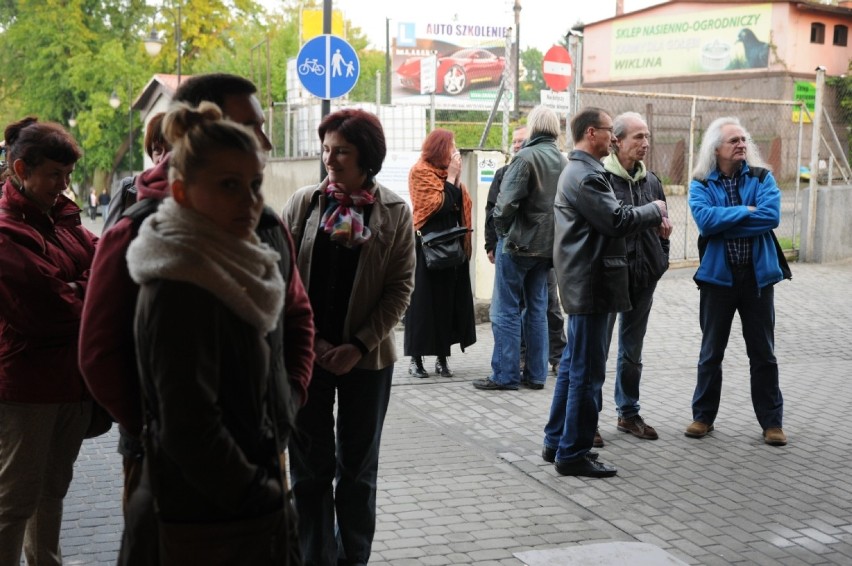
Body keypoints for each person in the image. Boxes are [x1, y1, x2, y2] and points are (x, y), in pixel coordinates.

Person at [78, 73, 315, 563]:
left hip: (259, 453)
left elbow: (297, 317)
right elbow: (100, 354)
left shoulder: (263, 227)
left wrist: (286, 404)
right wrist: (156, 432)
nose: (266, 142)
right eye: (250, 127)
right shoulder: (144, 236)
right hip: (181, 484)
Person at [124, 101, 293, 562]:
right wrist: (260, 492)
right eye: (229, 186)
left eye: (255, 185)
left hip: (218, 511)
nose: (250, 200)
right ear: (180, 192)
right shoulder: (184, 282)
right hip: (205, 523)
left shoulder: (230, 264)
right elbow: (190, 428)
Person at [282, 108, 415, 565]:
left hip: (368, 359)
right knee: (308, 469)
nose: (330, 159)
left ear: (367, 158)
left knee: (357, 471)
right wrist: (314, 343)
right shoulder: (303, 204)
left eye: (342, 151)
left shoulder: (395, 212)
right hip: (306, 357)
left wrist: (358, 345)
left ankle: (352, 558)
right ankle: (314, 556)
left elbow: (400, 288)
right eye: (326, 150)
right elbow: (283, 279)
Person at [543, 107, 666, 478]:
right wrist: (654, 209)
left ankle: (556, 442)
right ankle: (574, 453)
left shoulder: (582, 171)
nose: (614, 139)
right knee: (586, 373)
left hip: (587, 284)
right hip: (592, 286)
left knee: (571, 370)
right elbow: (616, 220)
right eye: (612, 132)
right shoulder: (587, 176)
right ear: (592, 133)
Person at [0, 118, 97, 565]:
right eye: (55, 175)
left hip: (70, 383)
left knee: (52, 491)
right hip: (27, 389)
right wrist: (84, 288)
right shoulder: (7, 230)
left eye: (68, 175)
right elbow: (48, 308)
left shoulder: (61, 217)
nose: (65, 184)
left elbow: (106, 265)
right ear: (21, 169)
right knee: (15, 499)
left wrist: (77, 284)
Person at [686, 116, 788, 446]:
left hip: (757, 280)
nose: (742, 144)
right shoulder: (701, 182)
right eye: (734, 141)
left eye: (743, 139)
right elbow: (705, 221)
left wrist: (727, 220)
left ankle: (772, 423)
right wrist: (747, 210)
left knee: (763, 354)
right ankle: (703, 417)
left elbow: (770, 217)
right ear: (716, 149)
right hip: (718, 280)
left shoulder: (762, 177)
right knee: (711, 352)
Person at [473, 105, 567, 391]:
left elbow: (503, 207)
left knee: (504, 310)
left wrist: (504, 236)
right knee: (538, 309)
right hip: (547, 249)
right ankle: (536, 375)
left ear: (533, 127)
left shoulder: (525, 157)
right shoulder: (564, 161)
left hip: (517, 246)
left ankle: (505, 375)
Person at [600, 112, 673, 441]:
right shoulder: (601, 179)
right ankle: (586, 420)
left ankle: (628, 413)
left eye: (647, 136)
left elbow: (662, 227)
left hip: (643, 279)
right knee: (594, 353)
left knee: (632, 353)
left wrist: (663, 253)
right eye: (637, 137)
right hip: (607, 281)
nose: (645, 143)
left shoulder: (652, 181)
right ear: (616, 141)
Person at [404, 128, 475, 378]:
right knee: (423, 303)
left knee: (447, 301)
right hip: (427, 246)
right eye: (451, 146)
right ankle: (416, 359)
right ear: (439, 148)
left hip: (451, 245)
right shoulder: (420, 172)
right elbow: (436, 205)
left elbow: (455, 206)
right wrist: (452, 178)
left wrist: (453, 179)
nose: (455, 151)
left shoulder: (446, 175)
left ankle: (442, 358)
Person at [103, 113, 170, 230]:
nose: (163, 158)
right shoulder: (128, 188)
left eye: (171, 149)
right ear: (150, 154)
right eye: (157, 150)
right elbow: (107, 241)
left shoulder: (195, 196)